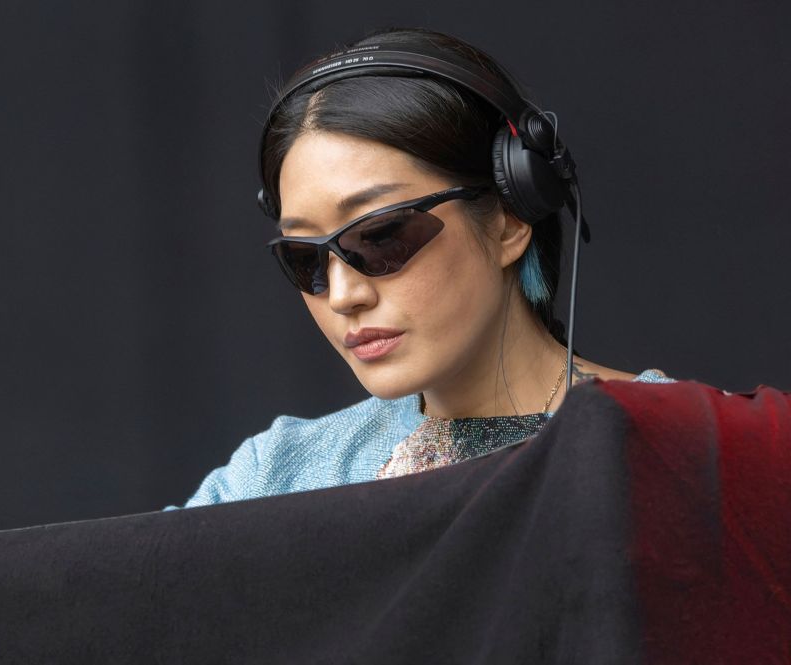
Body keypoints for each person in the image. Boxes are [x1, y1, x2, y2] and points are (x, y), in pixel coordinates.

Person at [173, 27, 672, 508]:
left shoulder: (690, 447)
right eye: (305, 257)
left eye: (381, 235)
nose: (344, 295)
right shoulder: (275, 476)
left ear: (509, 221)